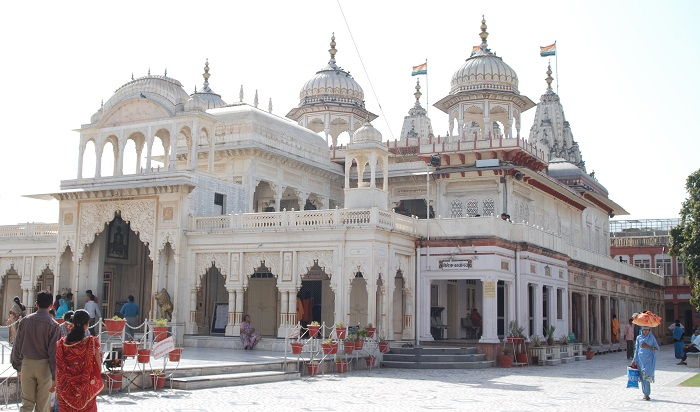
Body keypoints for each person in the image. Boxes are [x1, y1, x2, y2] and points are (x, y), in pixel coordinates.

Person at [11, 291, 62, 412]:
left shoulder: (25, 321)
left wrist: (18, 366)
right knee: (43, 405)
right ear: (51, 305)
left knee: (26, 404)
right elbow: (53, 353)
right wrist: (55, 376)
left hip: (27, 364)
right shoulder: (54, 325)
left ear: (36, 304)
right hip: (45, 367)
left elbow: (17, 345)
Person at [55, 310, 103, 411]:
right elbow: (99, 367)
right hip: (86, 389)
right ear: (86, 325)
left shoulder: (61, 344)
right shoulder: (91, 343)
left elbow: (58, 368)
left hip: (65, 388)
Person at [632, 326, 659, 401]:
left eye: (647, 330)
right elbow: (636, 349)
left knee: (646, 377)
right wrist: (634, 360)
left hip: (649, 361)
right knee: (642, 377)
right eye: (644, 330)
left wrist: (648, 346)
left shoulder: (651, 338)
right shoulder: (639, 338)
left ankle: (647, 394)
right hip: (640, 360)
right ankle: (644, 393)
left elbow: (657, 348)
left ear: (649, 330)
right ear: (642, 330)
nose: (646, 331)